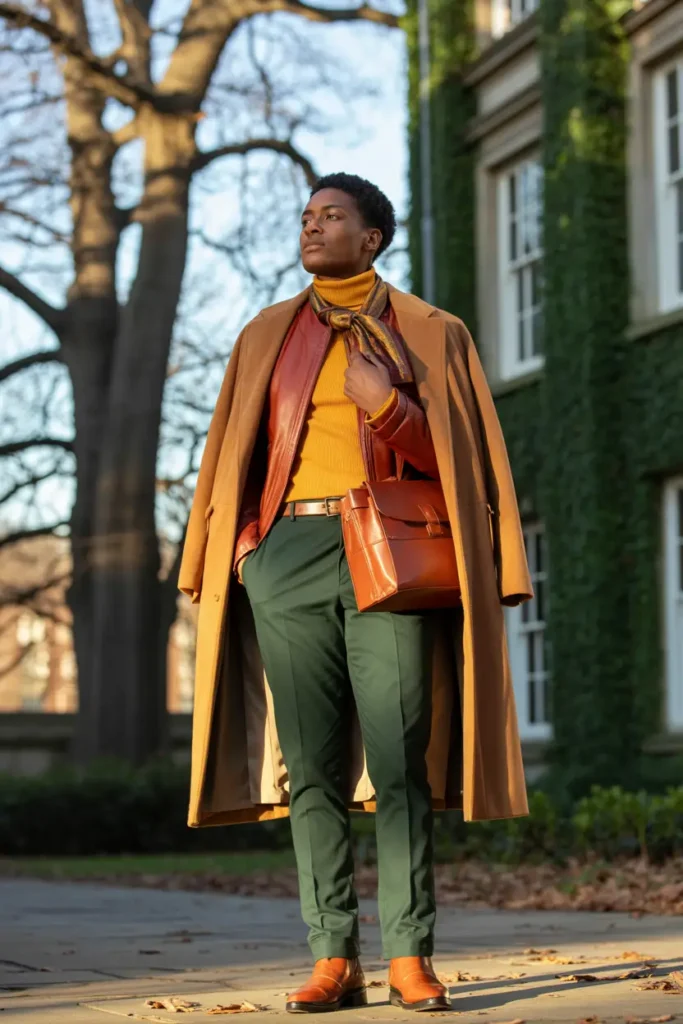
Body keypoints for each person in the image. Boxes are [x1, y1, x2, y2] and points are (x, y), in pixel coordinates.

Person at [179, 173, 533, 1014]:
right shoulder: (263, 334)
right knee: (311, 770)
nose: (312, 226)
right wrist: (235, 552)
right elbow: (233, 452)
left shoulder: (430, 332)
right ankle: (332, 956)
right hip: (285, 555)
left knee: (399, 759)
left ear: (371, 236)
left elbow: (463, 459)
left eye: (330, 216)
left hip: (393, 556)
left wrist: (388, 414)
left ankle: (410, 955)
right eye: (305, 216)